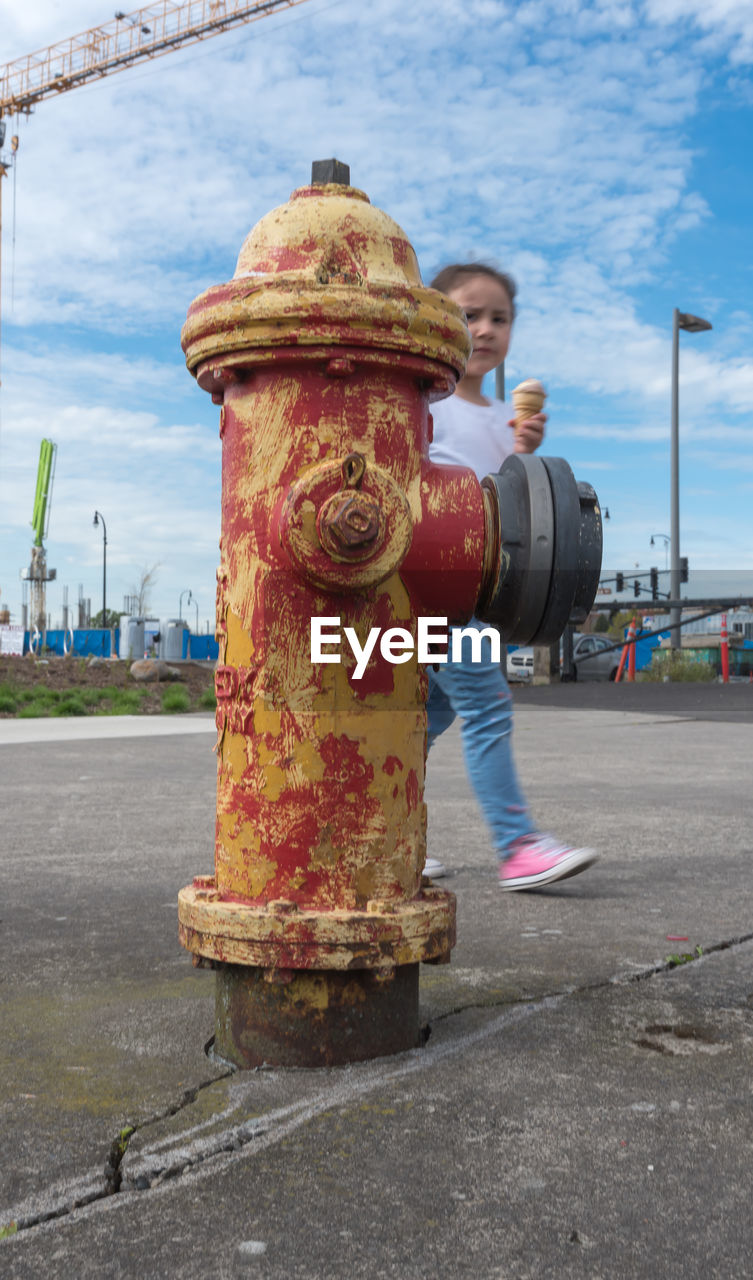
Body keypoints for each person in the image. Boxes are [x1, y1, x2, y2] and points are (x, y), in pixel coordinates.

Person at [423, 262, 597, 891]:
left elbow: (512, 506)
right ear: (437, 321)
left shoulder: (502, 416)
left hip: (484, 591)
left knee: (433, 716)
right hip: (440, 592)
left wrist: (521, 452)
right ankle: (518, 845)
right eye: (469, 315)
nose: (485, 328)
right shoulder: (424, 406)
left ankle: (390, 834)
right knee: (489, 707)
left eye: (499, 317)